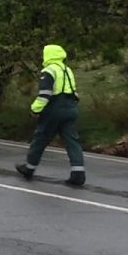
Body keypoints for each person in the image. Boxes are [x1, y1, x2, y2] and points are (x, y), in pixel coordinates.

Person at [16, 44, 86, 187]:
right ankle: (78, 174)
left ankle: (29, 168)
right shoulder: (67, 70)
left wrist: (35, 109)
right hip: (71, 108)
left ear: (48, 55)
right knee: (72, 142)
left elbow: (45, 95)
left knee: (40, 138)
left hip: (55, 109)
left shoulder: (49, 71)